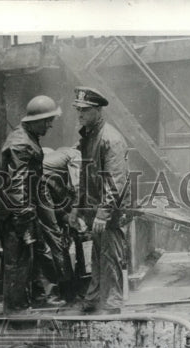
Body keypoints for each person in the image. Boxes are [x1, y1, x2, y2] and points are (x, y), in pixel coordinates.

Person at [0, 95, 62, 310]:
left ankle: (38, 298)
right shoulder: (21, 143)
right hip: (15, 212)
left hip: (23, 209)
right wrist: (23, 218)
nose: (50, 125)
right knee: (18, 260)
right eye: (47, 120)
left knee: (33, 255)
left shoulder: (27, 137)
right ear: (35, 120)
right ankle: (16, 311)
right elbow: (17, 184)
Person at [69, 86, 129, 314]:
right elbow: (85, 177)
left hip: (109, 213)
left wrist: (103, 214)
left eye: (84, 110)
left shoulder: (110, 139)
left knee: (110, 258)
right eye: (78, 110)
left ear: (97, 111)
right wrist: (77, 209)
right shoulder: (90, 137)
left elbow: (115, 181)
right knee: (96, 256)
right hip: (94, 210)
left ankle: (112, 304)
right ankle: (94, 299)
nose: (80, 115)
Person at [34, 145, 82, 304]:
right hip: (40, 185)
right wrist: (74, 215)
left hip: (39, 186)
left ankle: (62, 289)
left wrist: (67, 217)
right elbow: (78, 187)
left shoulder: (60, 153)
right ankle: (67, 291)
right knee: (55, 238)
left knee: (54, 238)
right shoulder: (77, 156)